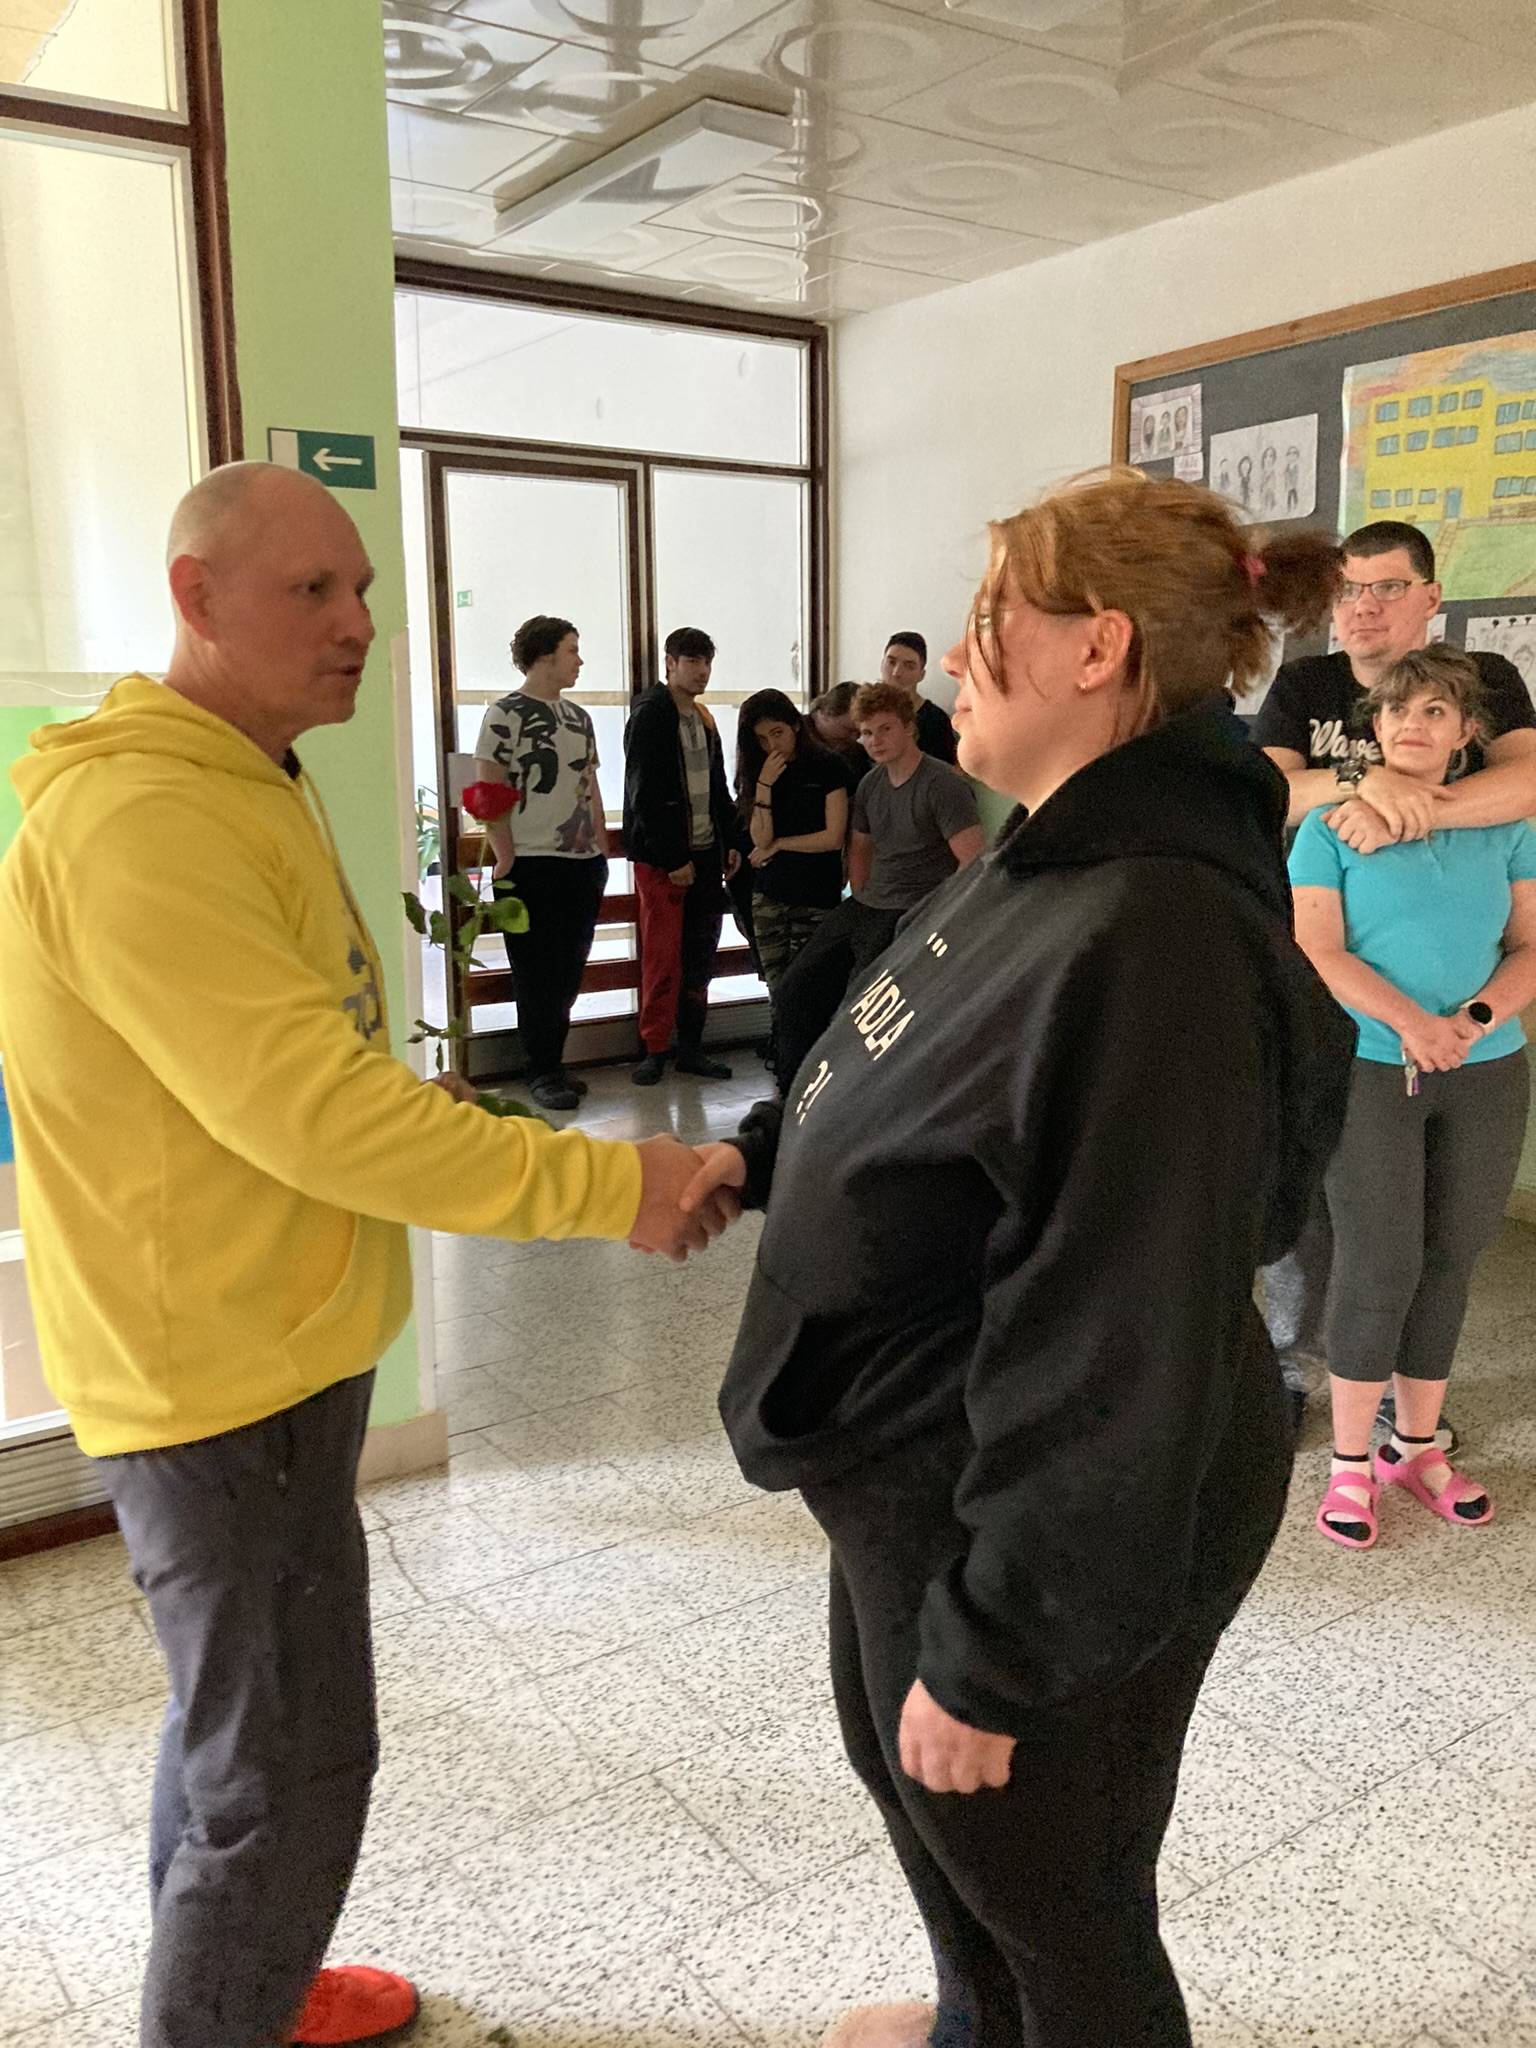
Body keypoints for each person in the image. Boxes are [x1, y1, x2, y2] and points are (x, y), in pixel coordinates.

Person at [0, 462, 732, 2048]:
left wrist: (406, 1103)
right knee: (288, 1772)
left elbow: (274, 1066)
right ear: (195, 597)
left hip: (264, 1336)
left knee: (232, 1734)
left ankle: (244, 1989)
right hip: (214, 1373)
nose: (357, 626)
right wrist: (612, 1186)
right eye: (312, 592)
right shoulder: (145, 816)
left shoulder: (240, 773)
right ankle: (225, 2009)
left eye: (364, 591)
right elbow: (313, 1117)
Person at [685, 470, 1354, 2048]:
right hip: (912, 1466)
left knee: (1058, 1894)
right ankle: (970, 2029)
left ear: (1098, 648)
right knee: (919, 1796)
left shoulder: (1158, 930)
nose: (955, 650)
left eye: (994, 615)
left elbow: (1121, 1330)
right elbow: (925, 1058)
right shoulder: (1047, 854)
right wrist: (764, 1154)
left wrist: (1000, 1648)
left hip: (1031, 1504)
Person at [1254, 519, 1536, 1440]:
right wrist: (1361, 787)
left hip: (1445, 996)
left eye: (1386, 587)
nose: (1363, 606)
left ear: (1430, 599)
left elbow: (1527, 786)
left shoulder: (1486, 678)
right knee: (1312, 1191)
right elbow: (1264, 792)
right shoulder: (1305, 684)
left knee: (1417, 1232)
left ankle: (1390, 1397)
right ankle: (1292, 1365)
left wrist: (1414, 806)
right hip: (1313, 963)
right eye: (1348, 590)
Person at [1290, 646, 1536, 1549]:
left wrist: (1471, 1021)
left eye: (1435, 711)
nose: (1413, 725)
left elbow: (1530, 945)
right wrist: (1413, 1025)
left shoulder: (1508, 826)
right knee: (1378, 1262)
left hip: (1485, 1067)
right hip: (1371, 1068)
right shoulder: (1331, 830)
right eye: (1397, 710)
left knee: (1451, 1257)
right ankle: (1351, 1463)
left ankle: (1417, 1447)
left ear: (1467, 731)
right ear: (1375, 727)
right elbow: (1319, 949)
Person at [769, 683, 983, 1093]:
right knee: (795, 988)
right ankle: (793, 1093)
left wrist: (939, 921)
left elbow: (973, 862)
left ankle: (852, 1096)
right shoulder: (870, 785)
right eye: (866, 732)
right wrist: (860, 899)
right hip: (869, 904)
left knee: (859, 1003)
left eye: (885, 729)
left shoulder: (942, 784)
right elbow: (860, 850)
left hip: (917, 909)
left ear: (908, 727)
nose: (875, 741)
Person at [472, 614, 609, 1113]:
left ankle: (554, 1061)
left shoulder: (579, 717)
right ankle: (540, 1069)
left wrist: (600, 848)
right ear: (545, 655)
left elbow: (589, 784)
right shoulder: (504, 714)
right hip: (530, 862)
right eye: (572, 650)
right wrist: (505, 855)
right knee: (536, 972)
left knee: (570, 969)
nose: (579, 660)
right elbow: (487, 789)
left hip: (579, 861)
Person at [622, 626, 746, 1088]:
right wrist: (672, 857)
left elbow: (718, 788)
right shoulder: (651, 714)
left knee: (700, 954)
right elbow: (644, 793)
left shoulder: (703, 718)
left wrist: (731, 841)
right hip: (663, 861)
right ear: (670, 663)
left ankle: (691, 1048)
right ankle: (654, 1049)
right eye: (692, 661)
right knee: (662, 957)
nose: (702, 671)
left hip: (706, 853)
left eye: (706, 662)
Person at [735, 688, 850, 992]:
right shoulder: (758, 770)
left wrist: (781, 844)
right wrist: (763, 785)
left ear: (795, 725)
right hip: (770, 893)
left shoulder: (828, 766)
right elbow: (761, 839)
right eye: (762, 739)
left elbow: (833, 837)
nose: (772, 745)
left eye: (778, 733)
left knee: (806, 990)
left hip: (815, 893)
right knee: (776, 988)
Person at [881, 632, 960, 763]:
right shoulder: (864, 711)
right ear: (882, 664)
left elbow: (944, 772)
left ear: (921, 675)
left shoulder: (936, 721)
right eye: (891, 662)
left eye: (909, 666)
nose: (896, 673)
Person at [809, 681, 871, 786]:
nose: (854, 738)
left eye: (861, 732)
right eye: (849, 729)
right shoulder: (795, 739)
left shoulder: (858, 753)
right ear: (826, 714)